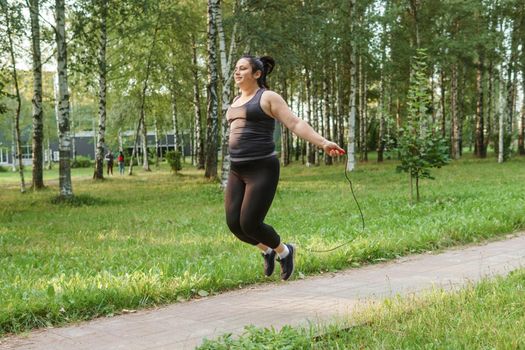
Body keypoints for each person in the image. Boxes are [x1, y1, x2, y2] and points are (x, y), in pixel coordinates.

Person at [225, 55, 345, 281]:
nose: (237, 73)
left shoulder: (268, 97)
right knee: (235, 225)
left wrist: (323, 142)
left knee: (249, 223)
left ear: (257, 74)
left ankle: (285, 251)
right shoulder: (235, 100)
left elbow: (295, 123)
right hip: (236, 169)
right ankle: (268, 250)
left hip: (262, 168)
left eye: (243, 69)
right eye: (236, 69)